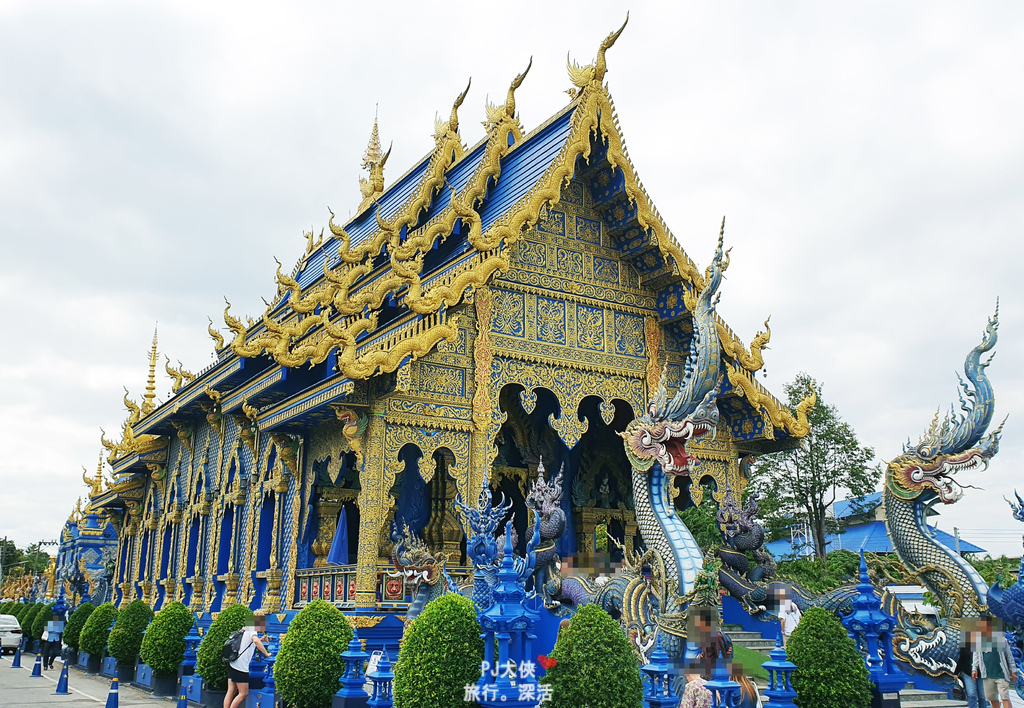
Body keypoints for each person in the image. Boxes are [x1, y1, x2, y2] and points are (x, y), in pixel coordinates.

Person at [224, 610, 271, 708]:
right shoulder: (253, 629)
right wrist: (266, 653)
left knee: (231, 690)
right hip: (240, 666)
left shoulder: (246, 628)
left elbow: (248, 642)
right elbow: (255, 641)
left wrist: (261, 639)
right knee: (243, 693)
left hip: (233, 662)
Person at [972, 615, 1018, 708]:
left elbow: (1009, 656)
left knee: (1005, 696)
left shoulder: (1002, 640)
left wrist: (1013, 670)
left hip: (1001, 673)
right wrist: (974, 669)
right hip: (987, 674)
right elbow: (976, 656)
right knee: (992, 698)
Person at [957, 618, 987, 708]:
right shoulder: (966, 643)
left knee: (982, 696)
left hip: (981, 672)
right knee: (971, 694)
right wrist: (956, 672)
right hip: (968, 672)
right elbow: (961, 658)